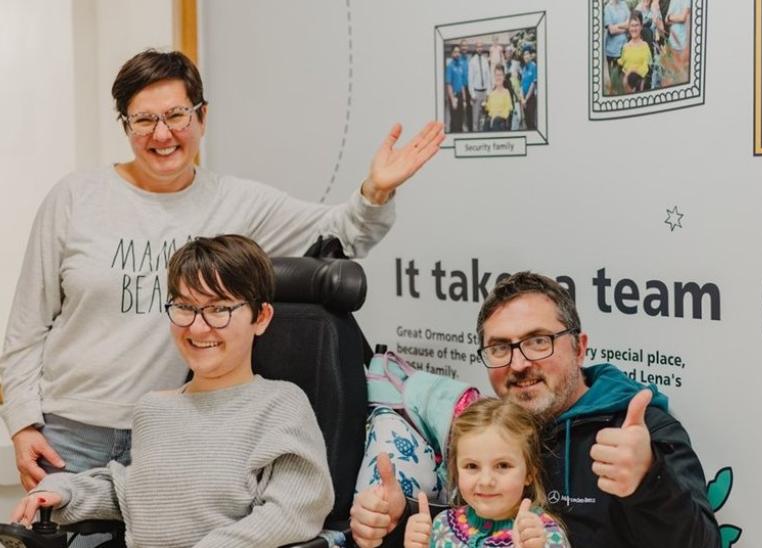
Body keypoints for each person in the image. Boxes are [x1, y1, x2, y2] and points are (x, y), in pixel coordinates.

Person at [0, 48, 444, 495]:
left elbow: (342, 234)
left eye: (176, 115)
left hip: (180, 432)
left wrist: (377, 189)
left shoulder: (237, 202)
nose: (162, 134)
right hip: (71, 437)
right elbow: (26, 327)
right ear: (125, 125)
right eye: (143, 120)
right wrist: (21, 424)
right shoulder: (75, 197)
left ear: (201, 116)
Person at [350, 272, 720, 548]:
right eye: (499, 348)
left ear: (579, 347)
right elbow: (471, 527)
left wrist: (648, 480)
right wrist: (396, 522)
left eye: (538, 341)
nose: (519, 363)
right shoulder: (488, 428)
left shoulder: (637, 431)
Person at [11, 234, 334, 547]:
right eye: (184, 306)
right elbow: (133, 492)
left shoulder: (281, 406)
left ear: (261, 317)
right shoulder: (154, 409)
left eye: (219, 309)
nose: (196, 326)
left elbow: (294, 510)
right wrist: (64, 492)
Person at [403, 398, 569, 548]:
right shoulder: (442, 524)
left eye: (503, 465)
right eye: (471, 466)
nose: (486, 481)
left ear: (529, 474)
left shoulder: (544, 534)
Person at [618, 11, 652, 93]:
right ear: (629, 27)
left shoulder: (645, 46)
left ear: (641, 26)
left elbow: (645, 67)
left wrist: (631, 71)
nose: (634, 28)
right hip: (626, 86)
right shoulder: (625, 47)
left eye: (637, 25)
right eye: (632, 25)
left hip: (640, 86)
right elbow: (622, 65)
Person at [468, 42, 492, 133]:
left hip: (485, 92)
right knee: (476, 117)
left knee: (484, 117)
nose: (479, 48)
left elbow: (488, 77)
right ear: (475, 48)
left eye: (481, 47)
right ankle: (475, 135)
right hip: (476, 93)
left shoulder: (485, 60)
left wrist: (488, 92)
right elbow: (470, 79)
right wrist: (472, 94)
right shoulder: (472, 61)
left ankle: (482, 135)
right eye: (478, 47)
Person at [484, 65, 515, 131]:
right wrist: (485, 104)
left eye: (500, 75)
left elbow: (508, 110)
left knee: (496, 122)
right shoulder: (492, 94)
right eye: (496, 75)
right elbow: (489, 109)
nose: (498, 77)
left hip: (501, 121)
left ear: (503, 77)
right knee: (486, 123)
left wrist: (497, 116)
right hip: (492, 120)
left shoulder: (506, 92)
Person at [603, 0, 631, 70]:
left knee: (624, 77)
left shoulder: (624, 4)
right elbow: (612, 30)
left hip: (625, 47)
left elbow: (630, 23)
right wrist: (625, 29)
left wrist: (616, 26)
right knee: (614, 78)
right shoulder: (608, 8)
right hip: (612, 51)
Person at [446, 45, 467, 133]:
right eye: (455, 52)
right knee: (454, 122)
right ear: (452, 54)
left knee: (460, 121)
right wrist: (453, 100)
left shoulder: (460, 65)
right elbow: (449, 85)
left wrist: (464, 100)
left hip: (460, 96)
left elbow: (462, 84)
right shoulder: (450, 66)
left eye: (458, 52)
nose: (457, 54)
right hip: (454, 97)